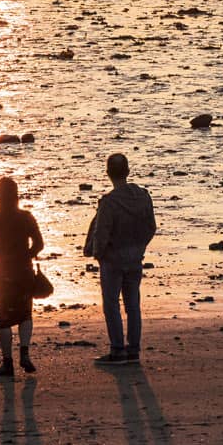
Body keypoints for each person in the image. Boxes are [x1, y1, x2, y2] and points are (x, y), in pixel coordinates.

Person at [83, 152, 157, 366]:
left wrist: (98, 254)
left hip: (113, 259)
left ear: (108, 174)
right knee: (133, 304)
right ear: (128, 171)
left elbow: (102, 233)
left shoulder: (109, 202)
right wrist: (139, 246)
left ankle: (117, 350)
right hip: (134, 257)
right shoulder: (143, 197)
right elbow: (151, 227)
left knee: (112, 304)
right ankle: (132, 350)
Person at [0, 176, 45, 379]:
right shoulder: (26, 217)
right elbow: (39, 243)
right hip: (23, 271)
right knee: (25, 313)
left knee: (3, 319)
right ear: (16, 195)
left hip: (0, 272)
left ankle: (7, 362)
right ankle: (25, 352)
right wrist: (27, 256)